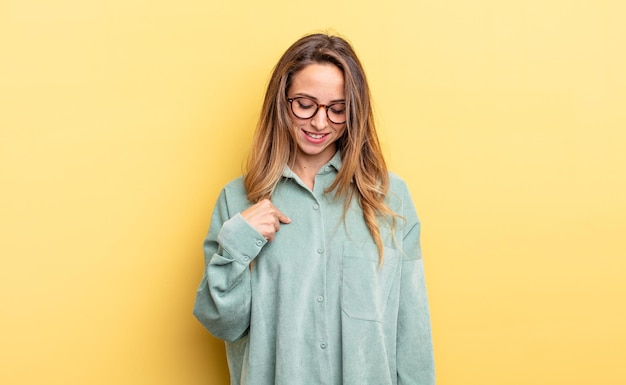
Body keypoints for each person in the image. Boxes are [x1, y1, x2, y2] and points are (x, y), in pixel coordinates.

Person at [193, 33, 435, 385]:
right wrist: (240, 240)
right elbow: (223, 323)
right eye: (305, 104)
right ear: (282, 101)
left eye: (338, 110)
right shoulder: (238, 200)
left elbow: (412, 334)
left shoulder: (390, 198)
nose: (321, 124)